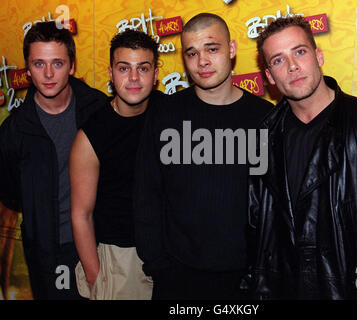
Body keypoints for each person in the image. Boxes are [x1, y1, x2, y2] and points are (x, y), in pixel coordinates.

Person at [248, 15, 357, 300]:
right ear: (269, 76)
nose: (293, 66)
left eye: (300, 51)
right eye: (278, 60)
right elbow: (258, 231)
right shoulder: (263, 137)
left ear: (318, 56)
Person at [134, 13, 273, 300]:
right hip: (177, 279)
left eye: (212, 49)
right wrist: (158, 265)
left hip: (245, 282)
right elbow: (146, 194)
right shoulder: (164, 115)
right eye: (192, 53)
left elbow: (275, 204)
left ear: (232, 50)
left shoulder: (264, 118)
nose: (202, 62)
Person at [0, 21, 107, 299]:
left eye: (57, 63)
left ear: (71, 66)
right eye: (39, 64)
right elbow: (12, 195)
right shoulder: (14, 132)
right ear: (27, 68)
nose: (48, 74)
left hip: (105, 245)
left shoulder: (98, 110)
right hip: (49, 253)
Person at [69, 30, 162, 300]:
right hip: (120, 260)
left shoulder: (171, 115)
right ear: (111, 73)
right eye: (124, 68)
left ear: (156, 74)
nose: (133, 78)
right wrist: (96, 277)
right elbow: (81, 215)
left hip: (170, 255)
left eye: (143, 68)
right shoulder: (91, 135)